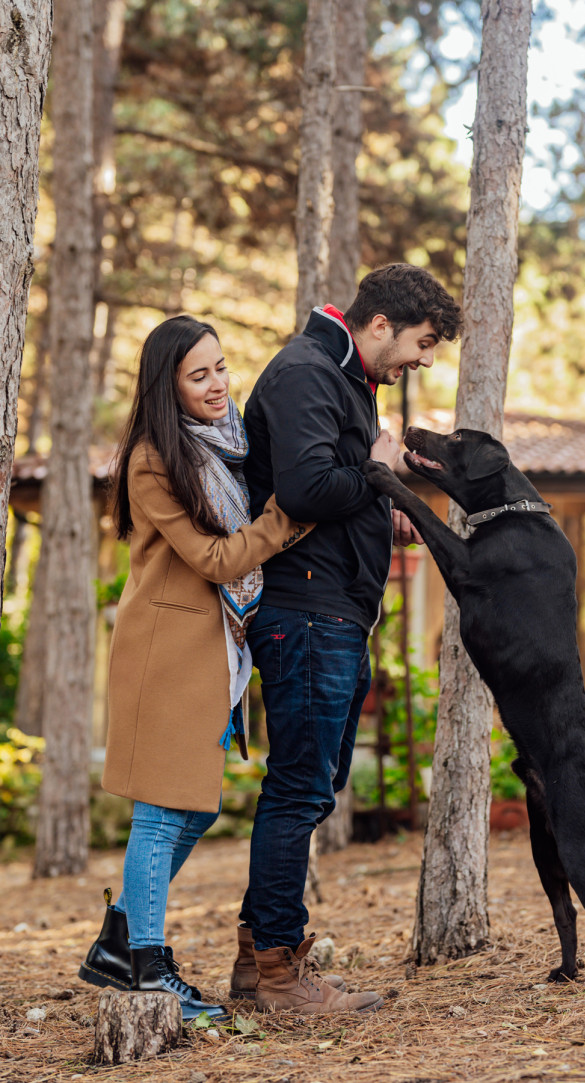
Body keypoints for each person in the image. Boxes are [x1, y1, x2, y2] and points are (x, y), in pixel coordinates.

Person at [230, 263, 463, 1014]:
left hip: (332, 613)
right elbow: (302, 490)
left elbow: (336, 484)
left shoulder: (347, 380)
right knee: (299, 788)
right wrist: (379, 471)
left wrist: (378, 501)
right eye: (422, 342)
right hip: (304, 611)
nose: (424, 360)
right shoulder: (306, 372)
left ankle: (257, 961)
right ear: (380, 324)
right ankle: (275, 975)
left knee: (311, 785)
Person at [78, 315, 313, 1022]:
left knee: (198, 807)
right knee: (160, 811)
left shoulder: (225, 444)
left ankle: (117, 943)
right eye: (198, 374)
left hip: (211, 649)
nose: (217, 384)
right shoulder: (154, 458)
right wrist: (285, 520)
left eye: (220, 366)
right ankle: (147, 967)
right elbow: (215, 559)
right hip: (165, 651)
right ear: (168, 386)